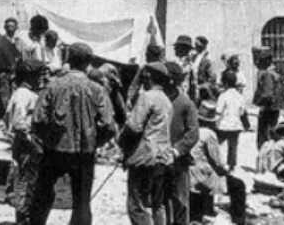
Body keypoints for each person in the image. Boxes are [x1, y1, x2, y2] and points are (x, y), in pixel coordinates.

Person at [28, 43, 116, 225]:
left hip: (54, 151)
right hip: (84, 153)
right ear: (89, 63)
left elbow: (37, 120)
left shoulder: (53, 86)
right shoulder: (97, 90)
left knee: (42, 195)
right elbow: (109, 125)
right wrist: (94, 142)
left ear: (68, 59)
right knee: (82, 201)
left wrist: (49, 139)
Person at [121, 62, 173, 225]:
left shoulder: (147, 96)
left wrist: (122, 144)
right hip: (161, 157)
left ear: (148, 76)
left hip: (144, 158)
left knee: (137, 206)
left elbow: (134, 127)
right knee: (157, 204)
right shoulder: (166, 100)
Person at [5, 59, 45, 225]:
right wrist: (34, 143)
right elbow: (18, 122)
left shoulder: (26, 93)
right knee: (26, 183)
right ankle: (23, 218)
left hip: (27, 144)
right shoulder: (24, 94)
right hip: (27, 146)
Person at [163, 62, 198, 225]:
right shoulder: (155, 99)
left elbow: (193, 134)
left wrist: (176, 151)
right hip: (158, 158)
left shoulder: (185, 103)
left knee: (180, 200)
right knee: (160, 200)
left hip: (179, 161)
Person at [190, 101, 228, 223]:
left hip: (188, 169)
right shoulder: (209, 134)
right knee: (216, 175)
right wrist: (224, 170)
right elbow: (216, 159)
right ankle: (207, 209)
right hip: (200, 173)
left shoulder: (190, 129)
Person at [216, 71, 248, 171]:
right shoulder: (240, 96)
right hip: (235, 125)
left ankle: (216, 162)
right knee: (233, 146)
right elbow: (242, 112)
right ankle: (231, 166)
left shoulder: (223, 95)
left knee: (217, 143)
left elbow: (218, 110)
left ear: (225, 83)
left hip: (224, 125)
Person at [253, 48, 283, 149]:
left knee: (264, 137)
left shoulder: (267, 74)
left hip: (268, 109)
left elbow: (267, 94)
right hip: (274, 108)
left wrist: (260, 103)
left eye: (259, 61)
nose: (257, 63)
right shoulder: (274, 73)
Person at [172, 36, 196, 102]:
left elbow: (193, 84)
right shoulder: (176, 61)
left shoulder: (187, 63)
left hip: (181, 96)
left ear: (183, 49)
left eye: (177, 47)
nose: (175, 49)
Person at [193, 37, 214, 102]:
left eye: (197, 44)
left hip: (201, 92)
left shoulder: (207, 60)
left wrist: (201, 86)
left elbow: (212, 79)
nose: (195, 46)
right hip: (193, 89)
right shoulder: (194, 57)